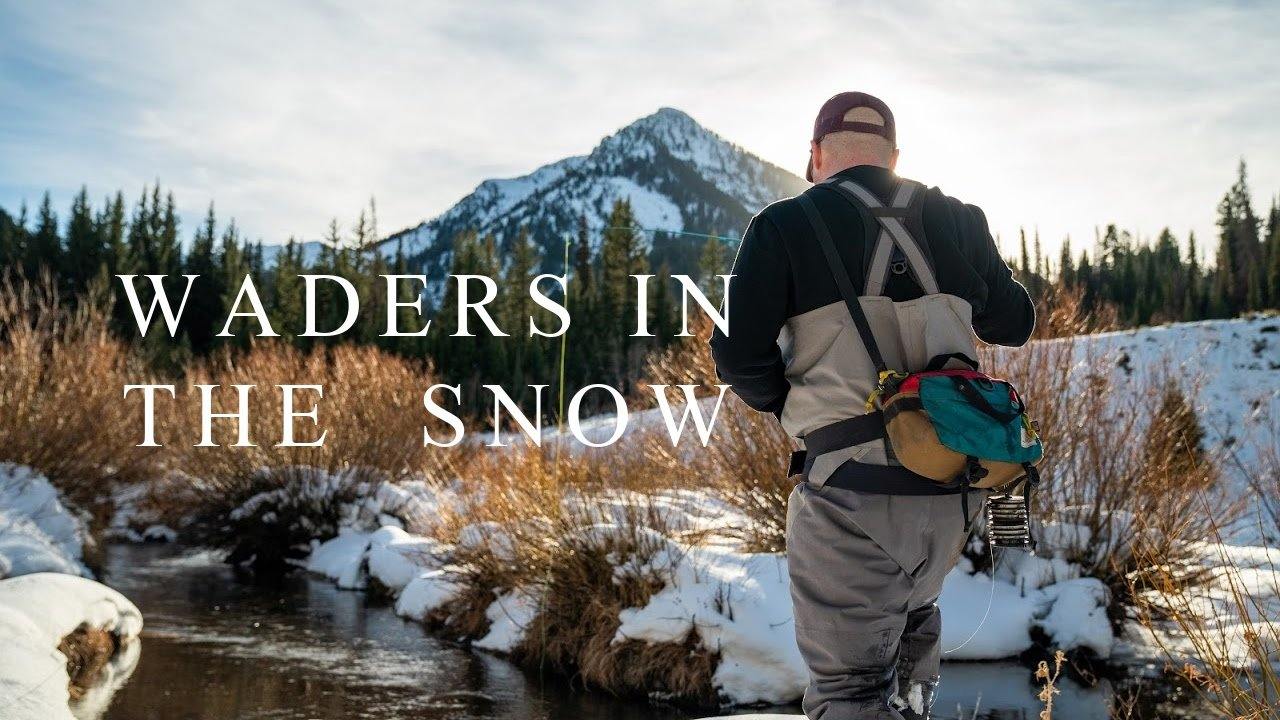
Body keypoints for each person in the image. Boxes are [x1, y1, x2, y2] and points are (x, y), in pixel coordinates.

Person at [709, 91, 1035, 720]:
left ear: (814, 155)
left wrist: (791, 409)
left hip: (849, 492)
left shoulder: (782, 225)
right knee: (910, 685)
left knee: (850, 696)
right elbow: (1014, 322)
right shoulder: (958, 217)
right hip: (950, 490)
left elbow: (739, 357)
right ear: (895, 155)